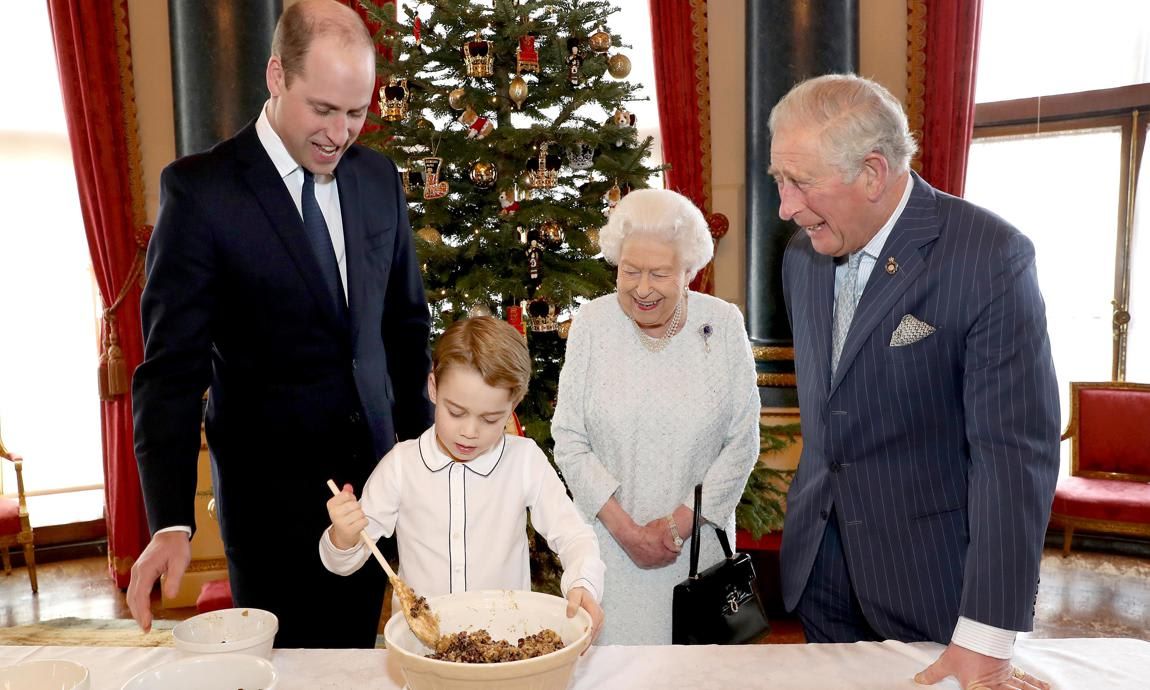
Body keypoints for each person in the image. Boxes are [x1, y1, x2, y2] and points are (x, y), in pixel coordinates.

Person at [127, 0, 433, 648]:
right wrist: (169, 521)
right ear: (276, 76)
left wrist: (427, 461)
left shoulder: (378, 179)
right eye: (322, 109)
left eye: (356, 113)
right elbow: (170, 372)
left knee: (356, 662)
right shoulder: (201, 193)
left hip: (375, 493)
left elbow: (405, 329)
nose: (340, 133)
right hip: (273, 514)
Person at [770, 74, 1059, 690]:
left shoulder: (990, 256)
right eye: (778, 181)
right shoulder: (802, 256)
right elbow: (835, 408)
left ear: (872, 173)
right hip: (819, 567)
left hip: (932, 585)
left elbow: (1013, 458)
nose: (785, 207)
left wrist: (985, 635)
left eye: (799, 183)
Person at [551, 188, 761, 645]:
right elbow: (568, 437)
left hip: (695, 558)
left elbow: (742, 442)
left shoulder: (723, 325)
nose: (642, 289)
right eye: (630, 272)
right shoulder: (591, 324)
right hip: (607, 551)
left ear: (690, 271)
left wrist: (673, 527)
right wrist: (627, 531)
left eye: (660, 274)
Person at [321, 317, 605, 640]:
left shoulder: (524, 461)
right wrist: (343, 537)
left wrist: (583, 581)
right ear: (433, 388)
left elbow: (575, 536)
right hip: (421, 649)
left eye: (489, 419)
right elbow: (344, 561)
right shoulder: (402, 465)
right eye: (455, 412)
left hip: (503, 646)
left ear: (513, 405)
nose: (469, 432)